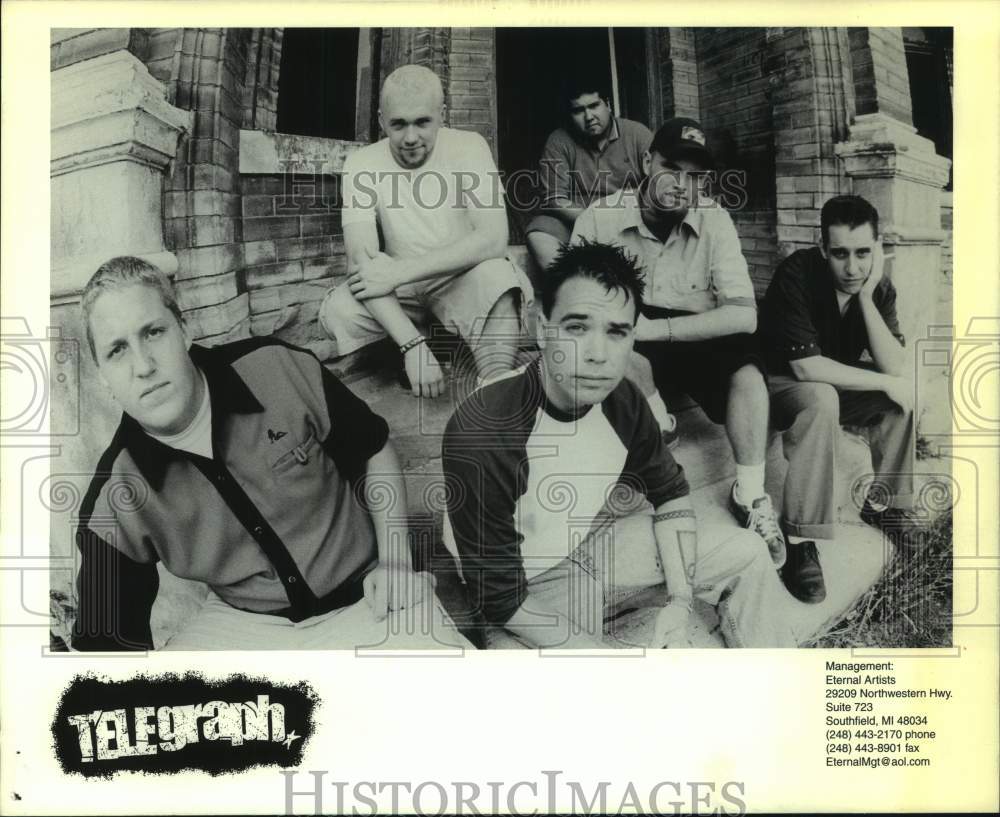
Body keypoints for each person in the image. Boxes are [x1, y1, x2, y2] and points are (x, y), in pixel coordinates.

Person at [72, 256, 468, 651]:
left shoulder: (276, 368)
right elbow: (105, 651)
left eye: (154, 332)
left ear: (185, 331)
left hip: (366, 596)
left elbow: (373, 448)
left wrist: (395, 562)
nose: (143, 366)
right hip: (241, 625)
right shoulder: (115, 497)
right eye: (117, 350)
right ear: (103, 379)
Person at [441, 241, 796, 649]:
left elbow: (671, 495)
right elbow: (502, 601)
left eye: (617, 332)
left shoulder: (623, 398)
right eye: (576, 327)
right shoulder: (485, 429)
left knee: (748, 552)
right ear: (541, 329)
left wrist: (680, 600)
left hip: (591, 543)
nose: (598, 355)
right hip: (523, 587)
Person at [570, 117, 787, 574]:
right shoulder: (601, 216)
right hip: (629, 333)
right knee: (613, 343)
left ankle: (750, 492)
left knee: (747, 370)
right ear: (647, 161)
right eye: (671, 168)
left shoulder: (714, 218)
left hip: (683, 332)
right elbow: (578, 302)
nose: (681, 185)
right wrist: (638, 328)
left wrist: (659, 328)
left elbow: (744, 314)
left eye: (696, 176)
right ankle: (658, 425)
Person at [319, 65, 532, 399]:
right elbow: (361, 263)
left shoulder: (469, 146)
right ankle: (423, 339)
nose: (410, 137)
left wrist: (400, 270)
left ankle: (496, 391)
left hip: (459, 276)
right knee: (339, 310)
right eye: (398, 124)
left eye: (422, 122)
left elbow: (493, 238)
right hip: (401, 288)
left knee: (500, 279)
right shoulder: (361, 163)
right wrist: (412, 345)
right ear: (380, 120)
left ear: (442, 115)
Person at [759, 195, 921, 602]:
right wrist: (883, 383)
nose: (852, 268)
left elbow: (893, 365)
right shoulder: (795, 273)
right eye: (840, 254)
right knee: (822, 398)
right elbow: (806, 370)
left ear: (877, 249)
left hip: (830, 383)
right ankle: (800, 536)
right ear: (822, 247)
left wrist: (866, 298)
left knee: (901, 398)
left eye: (864, 253)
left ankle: (885, 505)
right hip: (777, 385)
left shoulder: (876, 287)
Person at [524, 73, 651, 272]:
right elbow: (556, 198)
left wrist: (623, 222)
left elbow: (656, 186)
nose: (589, 117)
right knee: (539, 234)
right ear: (570, 114)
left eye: (594, 106)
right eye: (578, 110)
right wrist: (594, 221)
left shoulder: (637, 134)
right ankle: (573, 290)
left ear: (607, 104)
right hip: (577, 218)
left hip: (628, 218)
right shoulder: (559, 140)